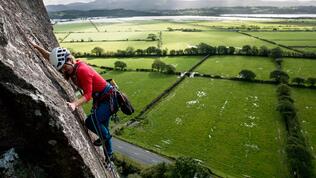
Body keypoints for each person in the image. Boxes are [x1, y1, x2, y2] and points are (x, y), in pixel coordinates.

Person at [30, 42, 117, 159]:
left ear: (69, 60)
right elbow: (51, 58)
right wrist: (37, 47)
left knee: (91, 122)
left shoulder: (82, 70)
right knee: (102, 128)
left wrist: (74, 104)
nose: (64, 71)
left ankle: (106, 140)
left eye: (65, 68)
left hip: (109, 99)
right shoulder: (71, 66)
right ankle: (109, 155)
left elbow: (88, 95)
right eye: (62, 69)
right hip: (102, 99)